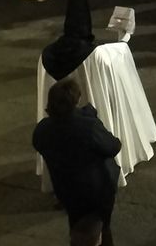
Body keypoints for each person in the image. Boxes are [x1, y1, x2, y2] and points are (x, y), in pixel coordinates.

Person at [32, 77, 120, 246]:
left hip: (65, 189)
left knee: (77, 222)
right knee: (101, 227)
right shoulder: (88, 127)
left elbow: (39, 143)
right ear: (76, 100)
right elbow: (113, 146)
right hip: (97, 190)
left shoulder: (42, 129)